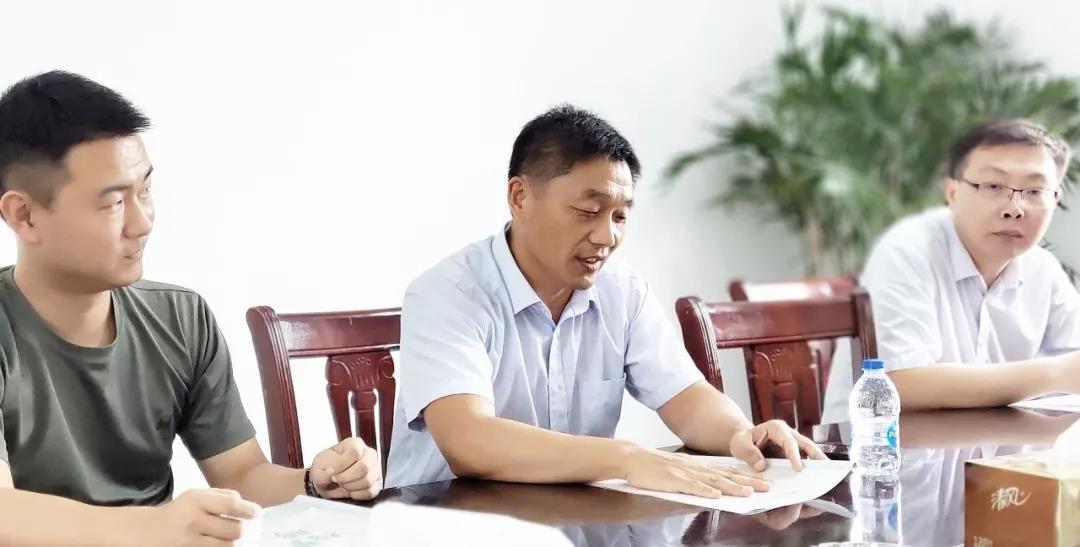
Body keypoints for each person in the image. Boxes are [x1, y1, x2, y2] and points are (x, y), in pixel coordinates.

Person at [0, 71, 381, 547]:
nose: (143, 222)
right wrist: (154, 527)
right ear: (24, 215)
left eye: (144, 191)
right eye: (114, 202)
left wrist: (315, 482)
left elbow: (243, 475)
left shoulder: (181, 318)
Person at [385, 104, 826, 494]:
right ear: (520, 197)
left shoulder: (622, 290)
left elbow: (687, 397)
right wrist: (625, 458)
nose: (607, 236)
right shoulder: (449, 293)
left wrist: (741, 434)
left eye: (620, 216)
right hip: (447, 524)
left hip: (570, 522)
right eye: (587, 211)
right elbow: (468, 441)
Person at [822, 118, 1080, 422]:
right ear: (953, 192)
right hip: (880, 447)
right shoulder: (908, 250)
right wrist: (1055, 373)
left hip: (999, 447)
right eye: (993, 186)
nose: (1014, 208)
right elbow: (899, 384)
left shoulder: (1042, 268)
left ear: (1055, 199)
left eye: (1035, 191)